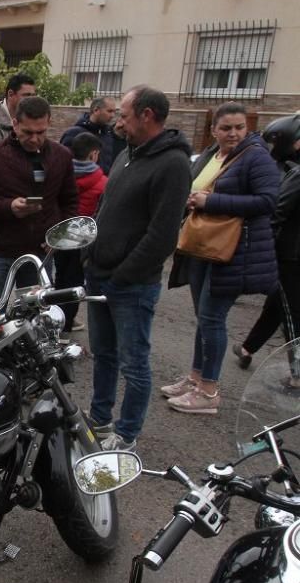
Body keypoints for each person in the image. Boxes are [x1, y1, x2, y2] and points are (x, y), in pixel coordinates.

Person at [84, 86, 192, 451]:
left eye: (125, 115)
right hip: (100, 274)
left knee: (134, 364)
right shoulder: (128, 153)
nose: (119, 122)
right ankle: (99, 419)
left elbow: (162, 237)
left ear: (147, 115)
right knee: (103, 354)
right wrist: (91, 255)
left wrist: (121, 276)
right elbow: (106, 208)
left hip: (130, 285)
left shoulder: (173, 164)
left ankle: (126, 434)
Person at [160, 103, 280, 414]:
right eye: (226, 128)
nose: (233, 133)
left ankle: (209, 392)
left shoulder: (256, 156)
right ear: (214, 129)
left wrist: (212, 201)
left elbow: (268, 200)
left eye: (239, 127)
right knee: (204, 317)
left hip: (233, 252)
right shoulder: (215, 153)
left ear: (247, 128)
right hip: (206, 246)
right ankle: (196, 378)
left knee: (212, 319)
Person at [0, 96, 77, 297]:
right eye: (27, 132)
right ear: (14, 124)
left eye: (40, 132)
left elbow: (70, 202)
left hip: (40, 253)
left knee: (34, 321)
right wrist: (9, 207)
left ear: (49, 123)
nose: (34, 139)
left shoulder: (62, 156)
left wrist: (58, 237)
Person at [233, 114, 300, 369]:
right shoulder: (292, 173)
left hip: (291, 256)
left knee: (288, 312)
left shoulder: (295, 174)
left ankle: (293, 371)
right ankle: (252, 349)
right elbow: (278, 213)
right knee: (282, 308)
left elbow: (277, 213)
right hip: (291, 256)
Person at [0, 73, 38, 294]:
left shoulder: (34, 130)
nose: (30, 99)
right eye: (26, 95)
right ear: (11, 95)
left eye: (34, 94)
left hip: (23, 215)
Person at [57, 131, 108, 332]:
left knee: (59, 279)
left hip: (60, 235)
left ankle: (57, 319)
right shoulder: (103, 182)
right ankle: (66, 325)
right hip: (84, 241)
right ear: (94, 154)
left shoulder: (62, 175)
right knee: (75, 282)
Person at [61, 97, 124, 174]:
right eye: (109, 111)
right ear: (96, 110)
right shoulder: (74, 133)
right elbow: (63, 163)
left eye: (114, 112)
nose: (112, 115)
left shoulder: (108, 134)